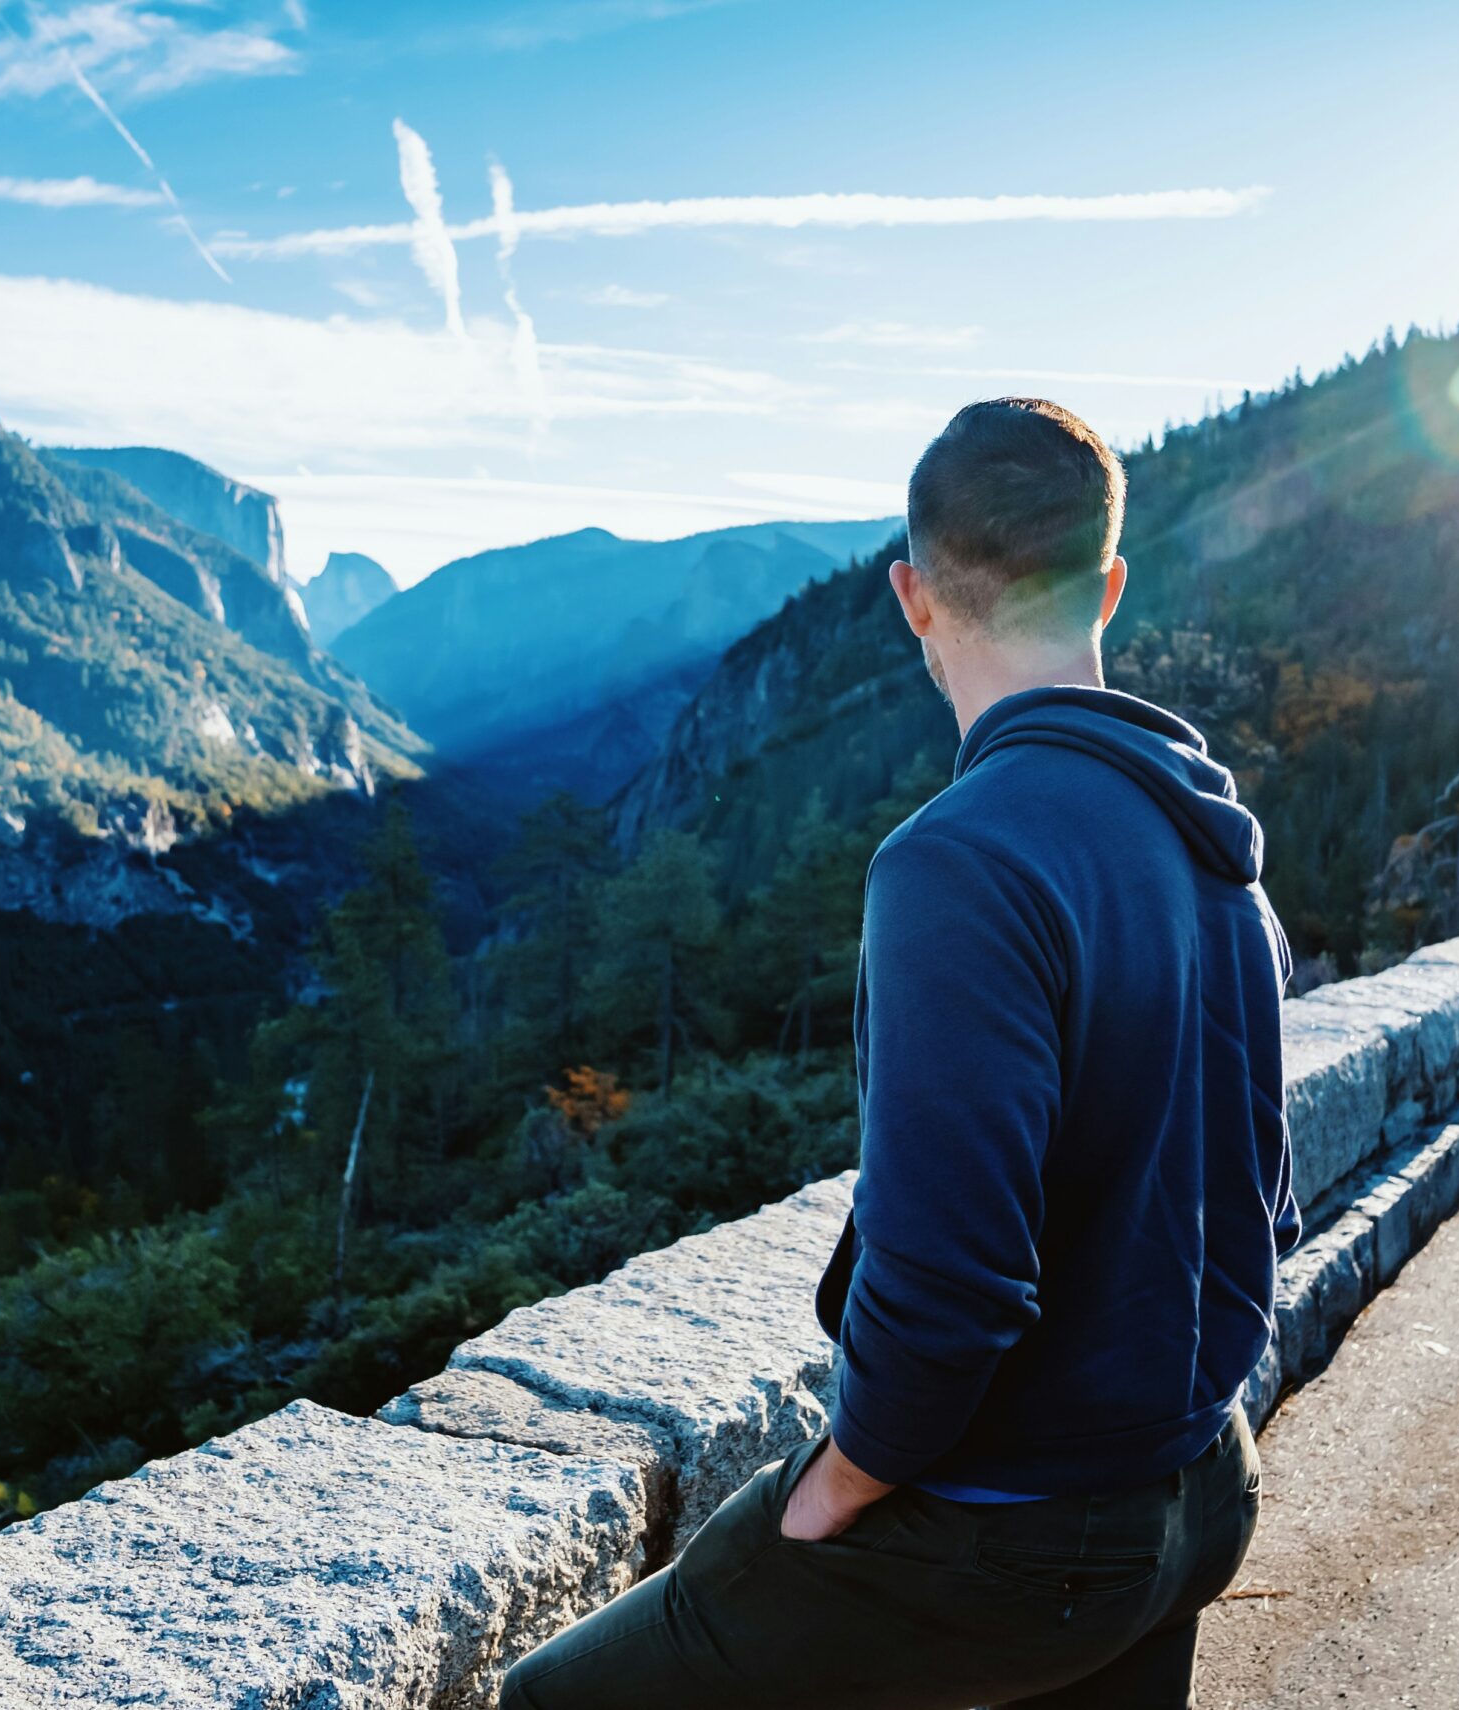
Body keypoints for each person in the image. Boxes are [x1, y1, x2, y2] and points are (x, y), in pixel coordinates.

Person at [497, 398, 1297, 1710]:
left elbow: (954, 1283)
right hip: (1202, 1490)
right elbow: (1261, 1198)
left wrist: (830, 1488)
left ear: (914, 597)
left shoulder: (960, 863)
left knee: (555, 1700)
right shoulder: (1216, 857)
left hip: (1014, 1534)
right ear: (1108, 584)